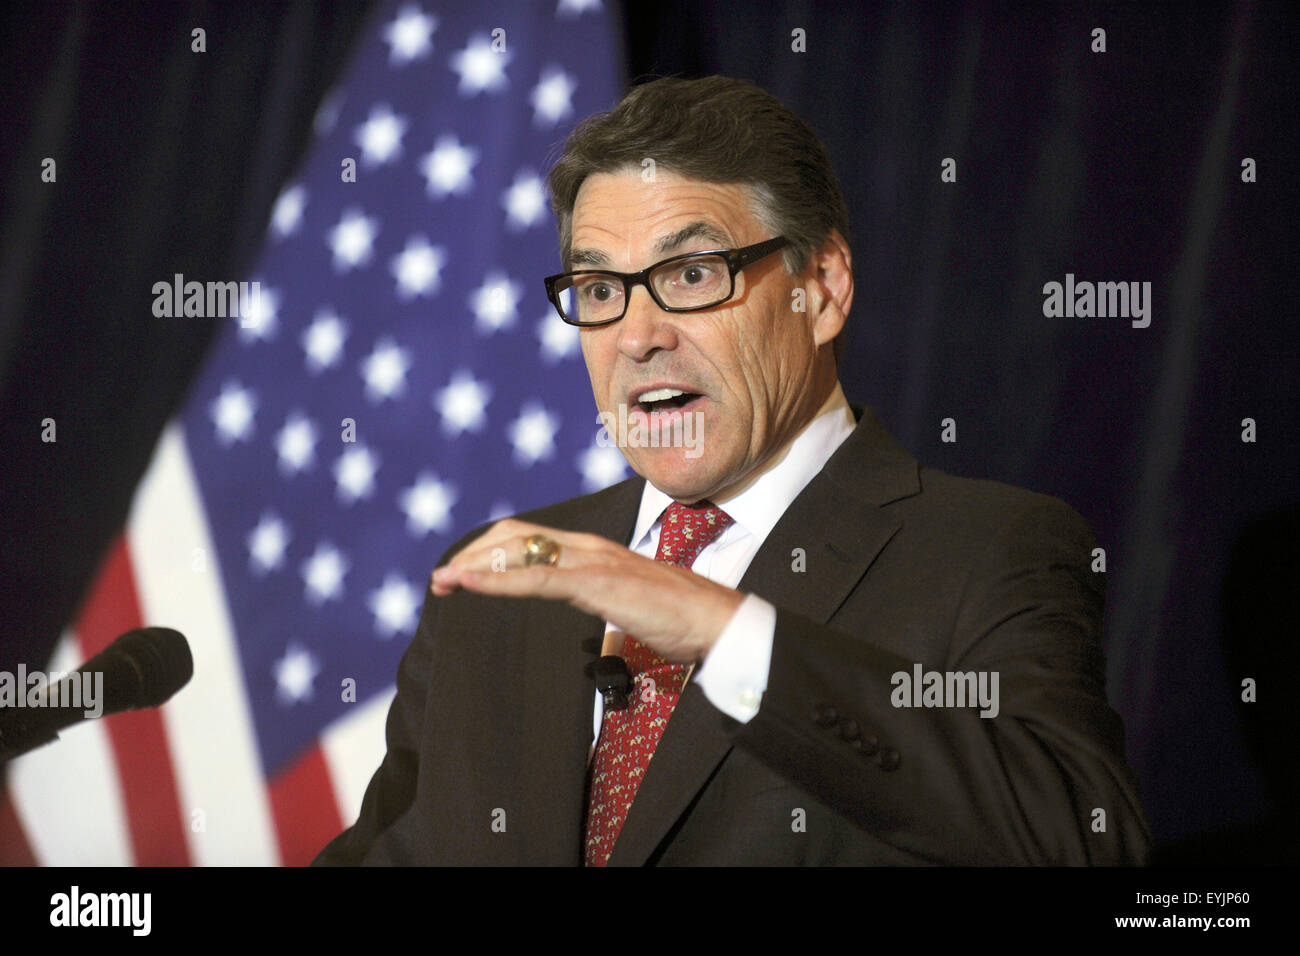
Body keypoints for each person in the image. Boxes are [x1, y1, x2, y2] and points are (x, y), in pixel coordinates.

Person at [313, 75, 1151, 866]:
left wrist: (717, 628)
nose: (637, 335)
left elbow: (1079, 837)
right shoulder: (511, 575)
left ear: (819, 289)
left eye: (689, 274)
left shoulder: (981, 548)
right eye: (600, 288)